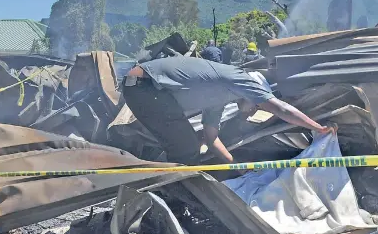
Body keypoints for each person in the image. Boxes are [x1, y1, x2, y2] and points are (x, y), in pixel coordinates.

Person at [122, 56, 337, 165]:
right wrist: (319, 128)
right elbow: (282, 109)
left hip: (141, 88)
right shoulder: (241, 78)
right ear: (253, 93)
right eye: (256, 105)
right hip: (145, 87)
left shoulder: (219, 96)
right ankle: (174, 200)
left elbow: (211, 137)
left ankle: (167, 193)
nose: (251, 111)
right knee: (185, 148)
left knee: (184, 143)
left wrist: (235, 167)